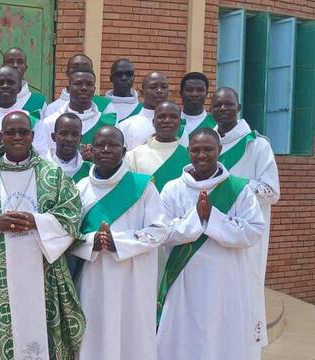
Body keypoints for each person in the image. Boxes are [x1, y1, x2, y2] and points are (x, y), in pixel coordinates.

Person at [0, 112, 85, 360]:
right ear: (1, 137)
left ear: (32, 136)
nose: (17, 136)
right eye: (11, 132)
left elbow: (71, 215)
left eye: (23, 132)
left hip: (44, 274)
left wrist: (36, 221)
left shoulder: (53, 175)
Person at [157, 128, 265, 360]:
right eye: (196, 150)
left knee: (222, 337)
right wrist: (196, 218)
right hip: (184, 279)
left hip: (226, 280)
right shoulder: (173, 188)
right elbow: (162, 232)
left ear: (220, 150)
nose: (202, 155)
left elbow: (254, 230)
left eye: (208, 149)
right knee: (183, 339)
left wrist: (213, 218)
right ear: (188, 152)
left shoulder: (239, 189)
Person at [73, 126, 167, 360]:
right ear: (91, 150)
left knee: (131, 337)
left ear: (124, 150)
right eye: (100, 145)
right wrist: (90, 242)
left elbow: (159, 230)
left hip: (133, 280)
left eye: (113, 145)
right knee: (95, 334)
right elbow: (68, 234)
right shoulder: (81, 188)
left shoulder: (143, 186)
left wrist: (118, 242)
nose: (106, 149)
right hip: (93, 278)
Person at [213, 87, 280, 356]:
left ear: (238, 108)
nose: (222, 110)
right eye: (217, 105)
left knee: (244, 290)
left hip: (246, 234)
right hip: (214, 229)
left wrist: (235, 186)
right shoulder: (208, 141)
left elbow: (272, 191)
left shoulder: (256, 144)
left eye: (228, 105)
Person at [35, 70, 116, 155]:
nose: (84, 88)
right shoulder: (50, 122)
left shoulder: (109, 123)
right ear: (69, 88)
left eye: (89, 84)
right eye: (78, 84)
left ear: (94, 89)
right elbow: (41, 156)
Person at [125, 101, 190, 192]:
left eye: (173, 117)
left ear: (180, 122)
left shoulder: (189, 157)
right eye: (161, 116)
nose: (167, 120)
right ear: (153, 122)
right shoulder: (133, 156)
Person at [0, 47, 47, 117]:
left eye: (20, 62)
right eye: (10, 61)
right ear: (3, 66)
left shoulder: (38, 101)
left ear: (25, 67)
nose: (15, 65)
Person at [45, 54, 116, 117]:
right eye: (75, 67)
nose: (80, 70)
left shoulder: (105, 106)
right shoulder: (53, 108)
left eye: (85, 67)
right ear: (67, 73)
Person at [117, 71, 170, 151]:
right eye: (153, 87)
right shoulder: (126, 126)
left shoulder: (178, 126)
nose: (159, 91)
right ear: (142, 92)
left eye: (164, 87)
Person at [44, 113, 92, 182]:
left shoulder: (90, 171)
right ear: (53, 137)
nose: (69, 139)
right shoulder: (40, 167)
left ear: (80, 138)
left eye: (75, 135)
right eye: (63, 133)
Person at [178, 72, 216, 146]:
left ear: (207, 94)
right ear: (181, 93)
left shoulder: (216, 124)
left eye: (200, 90)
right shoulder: (171, 123)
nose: (194, 94)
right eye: (189, 90)